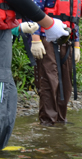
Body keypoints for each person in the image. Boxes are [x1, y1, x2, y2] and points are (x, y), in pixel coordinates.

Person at [0, 0, 69, 150]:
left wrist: (18, 28)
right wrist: (48, 24)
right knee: (4, 87)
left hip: (5, 32)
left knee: (8, 91)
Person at [30, 0, 81, 126]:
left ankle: (60, 120)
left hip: (66, 41)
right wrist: (35, 40)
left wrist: (77, 46)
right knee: (49, 80)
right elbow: (34, 12)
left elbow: (74, 22)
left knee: (66, 82)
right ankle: (47, 122)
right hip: (47, 39)